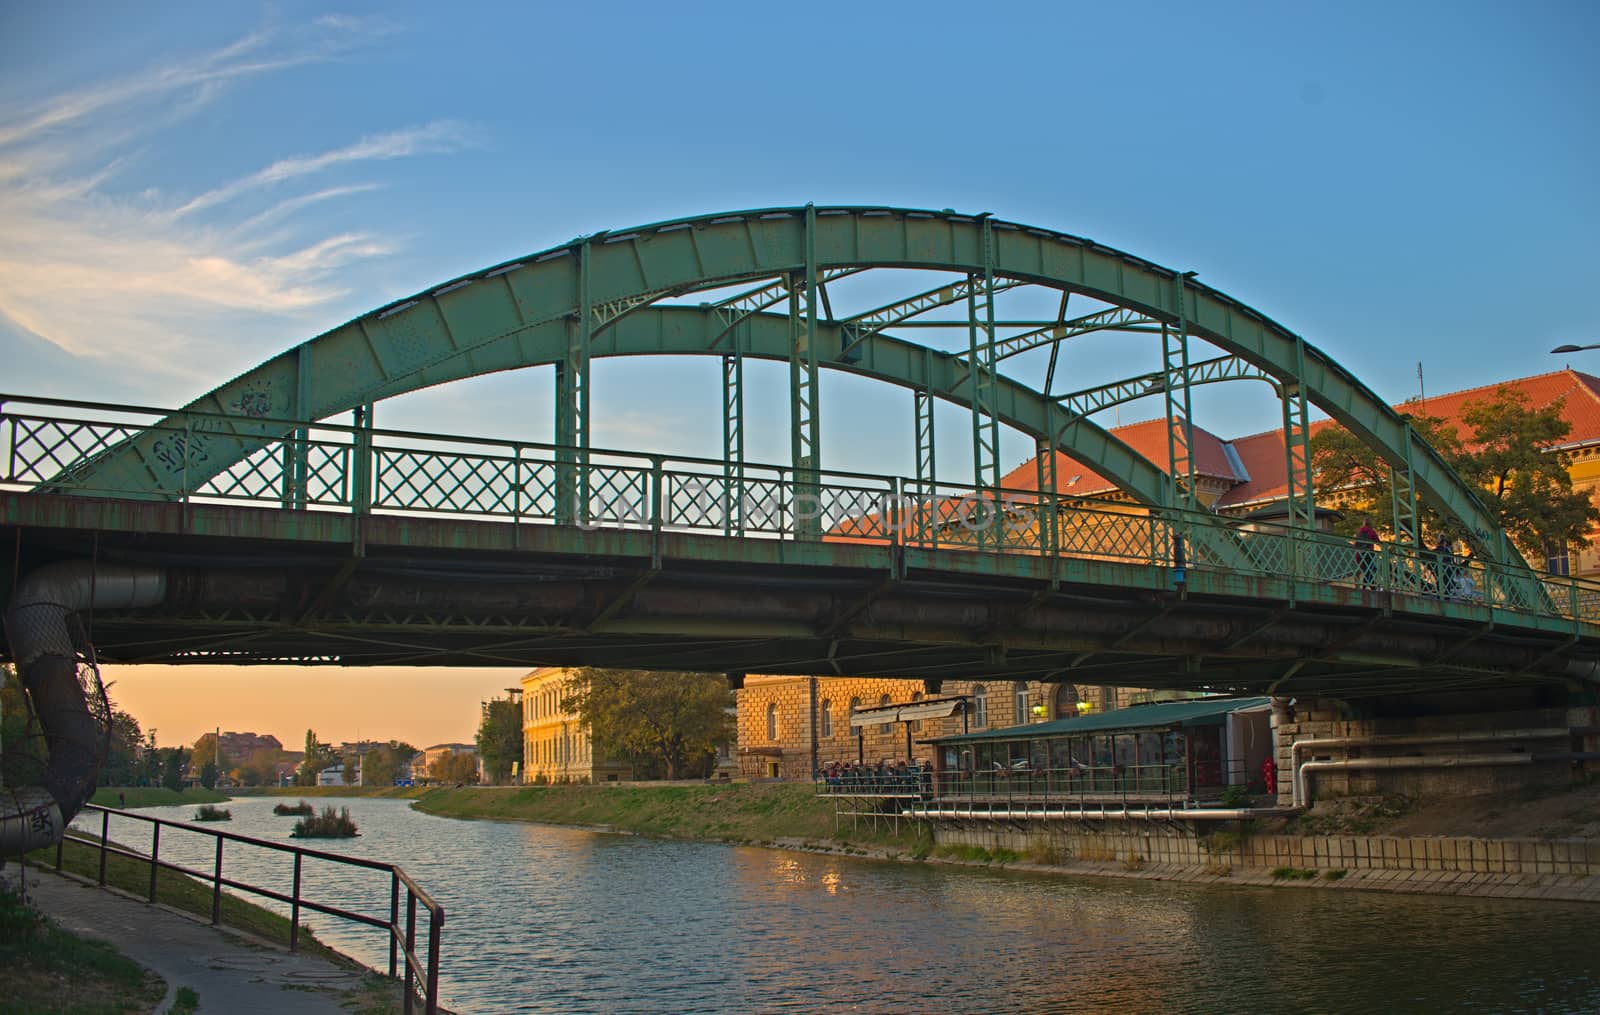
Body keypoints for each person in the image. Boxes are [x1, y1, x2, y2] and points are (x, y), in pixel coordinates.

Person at [1353, 517, 1380, 589]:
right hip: (1368, 554)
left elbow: (1356, 544)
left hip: (1359, 554)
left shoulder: (1360, 531)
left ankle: (1372, 587)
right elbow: (1378, 542)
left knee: (1367, 571)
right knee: (1369, 571)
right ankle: (1365, 588)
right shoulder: (1371, 531)